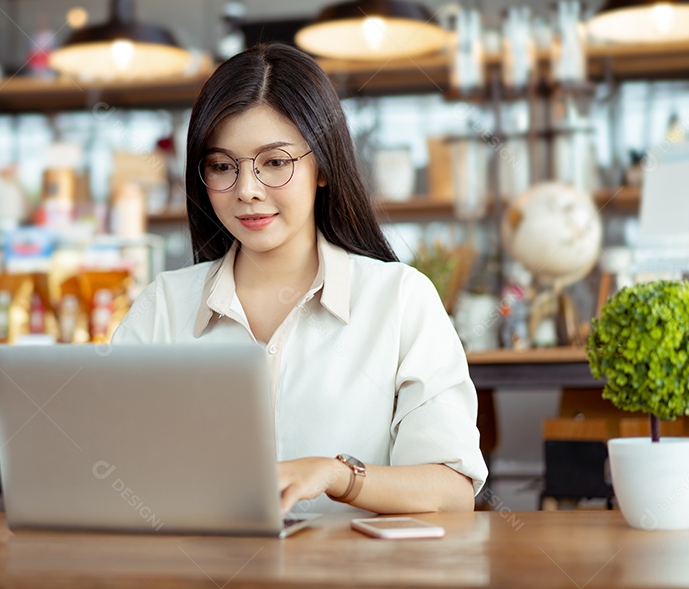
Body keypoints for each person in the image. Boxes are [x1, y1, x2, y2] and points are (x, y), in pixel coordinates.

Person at [112, 43, 487, 515]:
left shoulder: (400, 299)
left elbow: (451, 492)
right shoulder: (164, 305)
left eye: (275, 162)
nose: (247, 190)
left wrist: (336, 475)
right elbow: (111, 466)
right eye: (223, 166)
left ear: (323, 167)